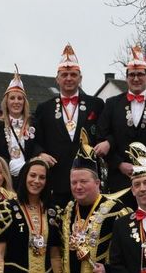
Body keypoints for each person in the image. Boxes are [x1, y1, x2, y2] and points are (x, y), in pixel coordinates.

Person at [31, 44, 105, 209]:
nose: (69, 78)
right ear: (57, 79)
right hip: (56, 179)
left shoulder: (96, 104)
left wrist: (107, 142)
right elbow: (34, 141)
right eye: (64, 75)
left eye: (73, 74)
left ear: (80, 78)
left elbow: (106, 133)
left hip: (87, 180)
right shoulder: (44, 108)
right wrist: (40, 154)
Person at [96, 46, 146, 196]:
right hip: (120, 179)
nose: (136, 78)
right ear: (126, 77)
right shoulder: (112, 104)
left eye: (140, 74)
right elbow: (101, 137)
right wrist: (119, 164)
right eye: (132, 75)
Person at [0, 69, 36, 178]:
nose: (16, 102)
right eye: (12, 98)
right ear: (6, 102)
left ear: (24, 102)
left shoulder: (33, 123)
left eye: (20, 98)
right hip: (4, 175)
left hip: (27, 177)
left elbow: (36, 148)